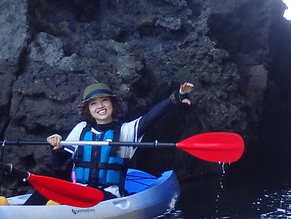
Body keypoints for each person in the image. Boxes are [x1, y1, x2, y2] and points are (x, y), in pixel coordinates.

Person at [38, 80, 194, 203]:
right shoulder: (81, 129)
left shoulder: (126, 131)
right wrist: (57, 148)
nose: (100, 106)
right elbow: (57, 164)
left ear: (112, 103)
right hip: (79, 189)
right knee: (40, 195)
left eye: (104, 100)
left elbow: (152, 116)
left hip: (108, 195)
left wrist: (176, 96)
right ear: (88, 110)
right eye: (93, 103)